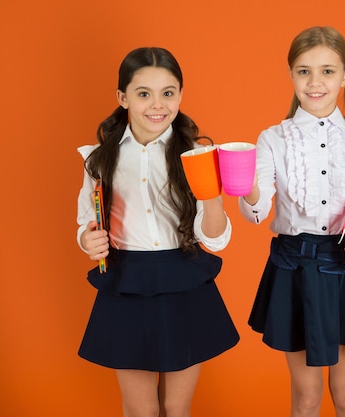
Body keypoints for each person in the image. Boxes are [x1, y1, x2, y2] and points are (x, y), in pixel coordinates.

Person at [238, 27, 345, 417]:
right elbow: (256, 214)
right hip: (295, 267)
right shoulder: (273, 139)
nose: (315, 82)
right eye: (303, 71)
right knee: (307, 397)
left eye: (327, 71)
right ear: (291, 74)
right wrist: (244, 186)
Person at [76, 47, 239, 417]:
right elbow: (86, 221)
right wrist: (88, 240)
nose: (157, 105)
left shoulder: (196, 155)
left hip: (184, 280)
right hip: (127, 282)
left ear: (180, 95)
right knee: (140, 410)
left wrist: (212, 196)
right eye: (143, 93)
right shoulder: (100, 158)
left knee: (176, 408)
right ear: (122, 98)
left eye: (168, 93)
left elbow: (214, 239)